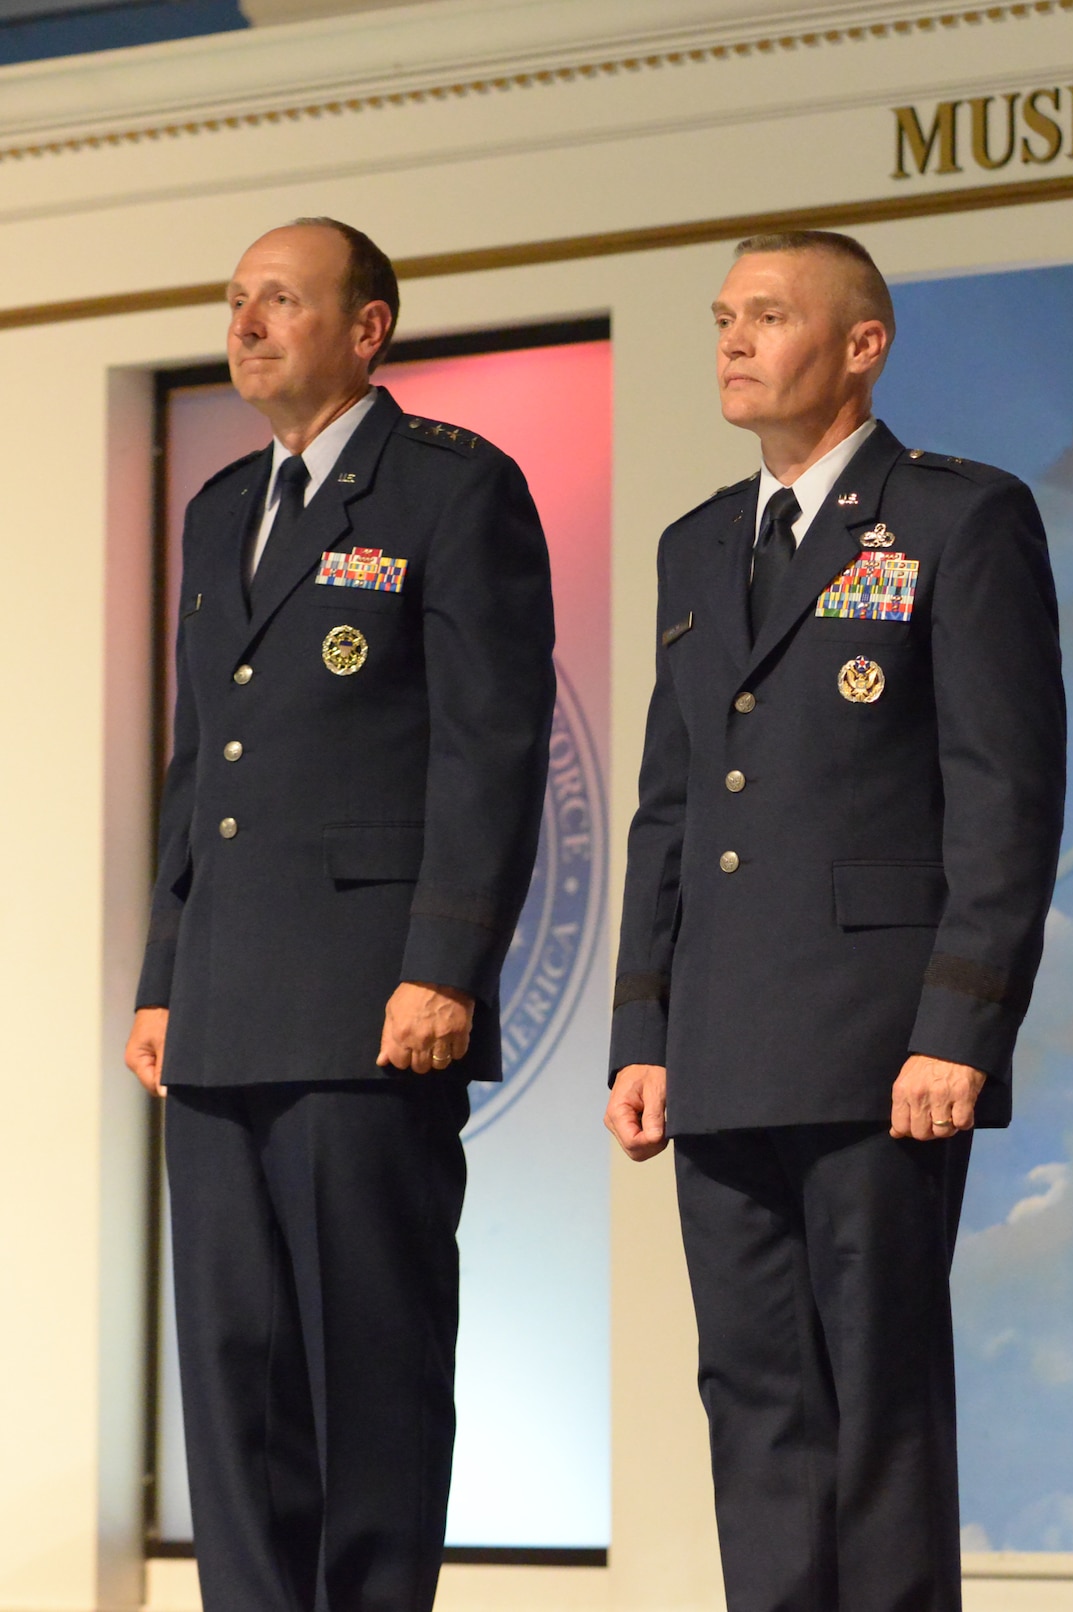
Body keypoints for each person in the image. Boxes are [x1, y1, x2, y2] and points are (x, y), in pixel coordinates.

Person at [605, 230, 1064, 1612]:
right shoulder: (699, 546)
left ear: (862, 346)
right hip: (726, 1047)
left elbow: (1004, 799)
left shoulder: (958, 519)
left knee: (878, 1414)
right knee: (753, 1406)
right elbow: (668, 810)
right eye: (723, 317)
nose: (734, 340)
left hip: (884, 1056)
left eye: (770, 316)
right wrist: (642, 1027)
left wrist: (960, 1029)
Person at [124, 218, 556, 1612]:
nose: (245, 323)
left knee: (367, 1378)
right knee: (234, 1381)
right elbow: (204, 764)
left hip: (373, 1012)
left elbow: (490, 750)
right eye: (237, 301)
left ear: (367, 329)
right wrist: (161, 974)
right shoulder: (216, 508)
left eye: (280, 301)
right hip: (223, 1014)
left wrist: (446, 967)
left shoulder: (448, 489)